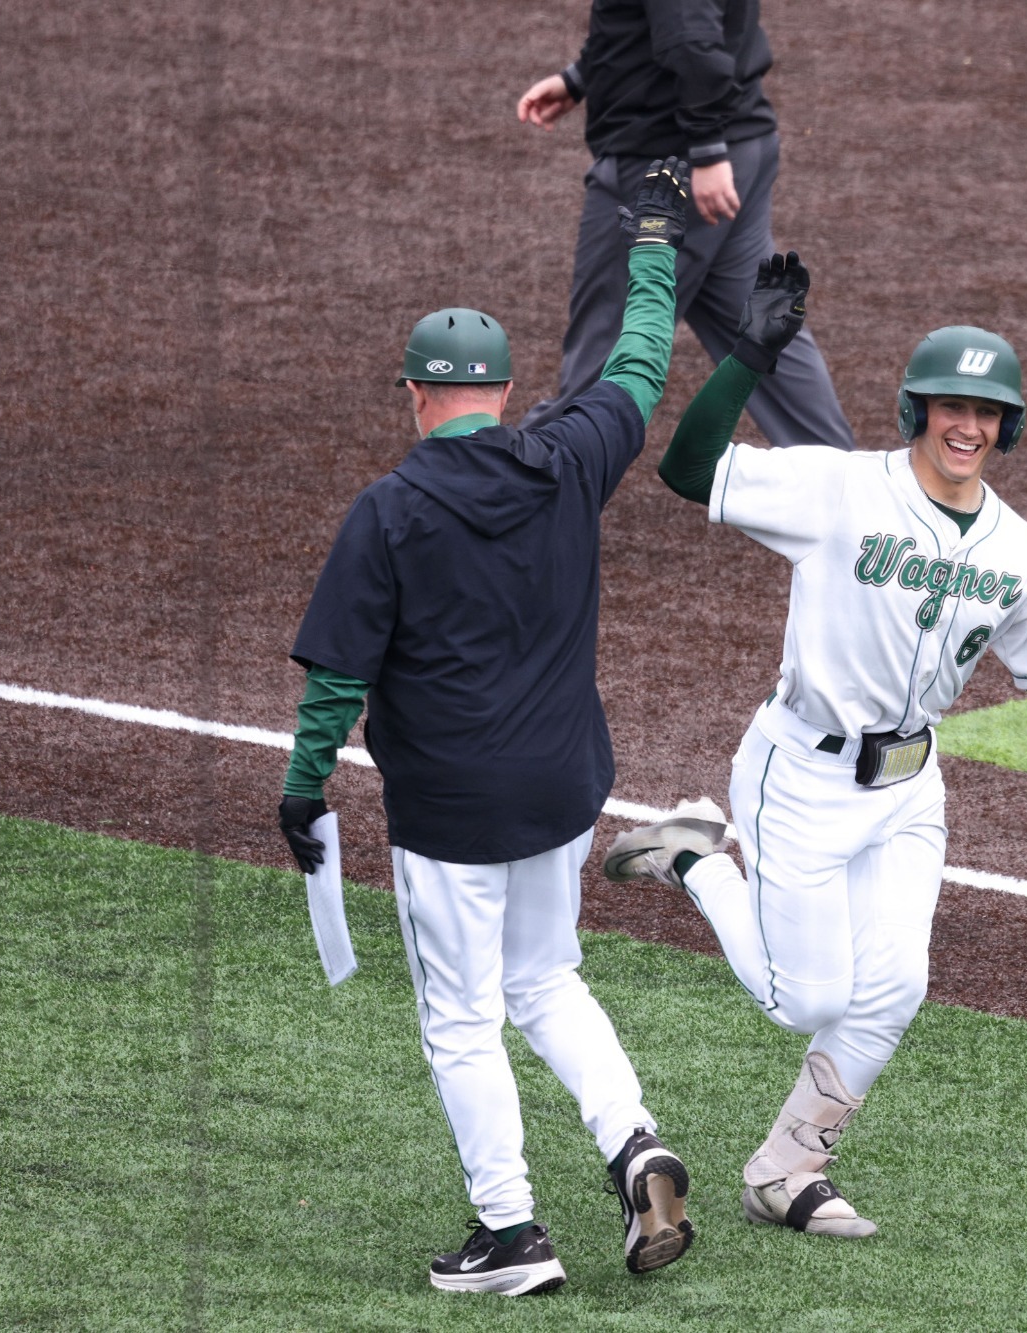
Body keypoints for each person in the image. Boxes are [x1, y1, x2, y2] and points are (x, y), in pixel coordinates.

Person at [601, 253, 1027, 1237]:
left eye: (985, 411)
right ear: (914, 411)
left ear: (1007, 426)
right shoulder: (838, 491)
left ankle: (788, 1168)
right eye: (946, 406)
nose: (965, 426)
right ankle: (696, 859)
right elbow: (686, 470)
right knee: (807, 1001)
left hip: (908, 786)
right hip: (799, 770)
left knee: (895, 984)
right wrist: (751, 352)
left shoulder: (1017, 551)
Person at [275, 161, 700, 1294]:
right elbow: (641, 361)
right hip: (562, 789)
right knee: (547, 979)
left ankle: (511, 1233)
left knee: (461, 1018)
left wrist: (302, 787)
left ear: (414, 393)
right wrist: (650, 244)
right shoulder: (569, 456)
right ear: (506, 391)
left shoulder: (390, 510)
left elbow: (333, 679)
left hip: (452, 811)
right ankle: (633, 1143)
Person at [513, 0, 853, 447]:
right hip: (738, 143)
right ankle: (843, 493)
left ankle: (505, 494)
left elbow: (690, 35)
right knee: (762, 335)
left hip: (669, 164)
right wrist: (582, 77)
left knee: (605, 357)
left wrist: (707, 147)